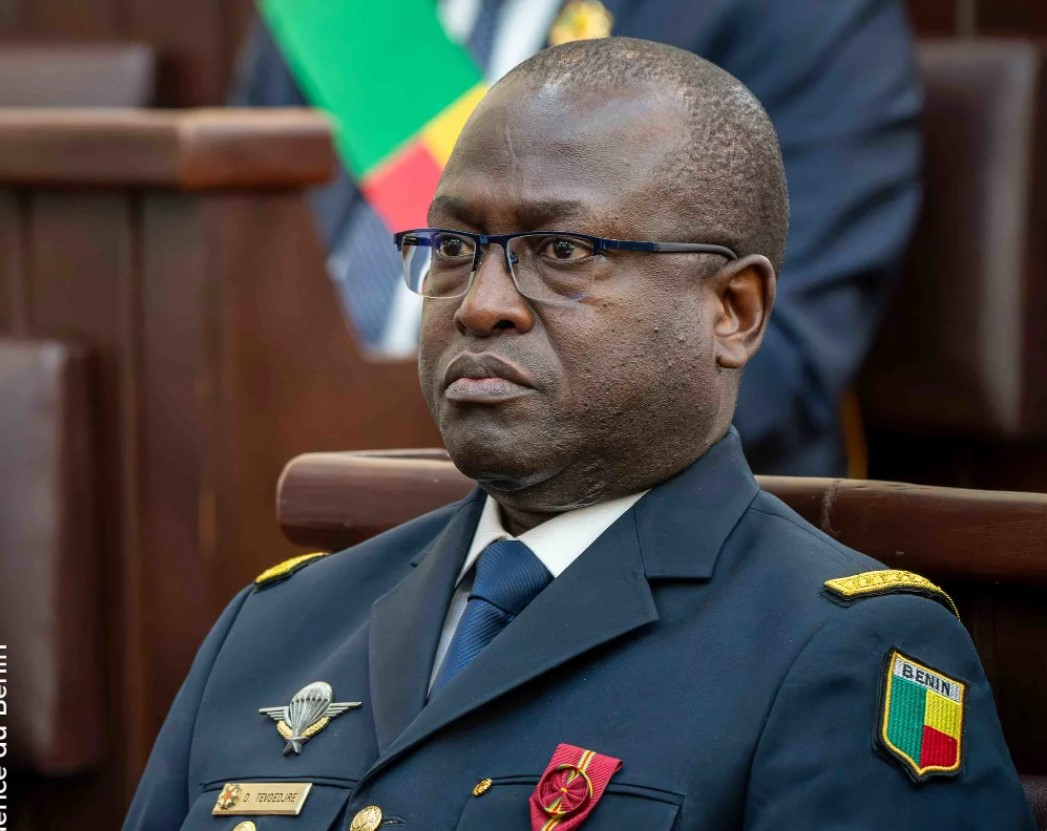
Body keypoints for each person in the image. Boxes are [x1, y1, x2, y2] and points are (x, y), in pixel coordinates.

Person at [126, 39, 1031, 830]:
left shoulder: (838, 654)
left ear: (732, 309)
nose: (481, 304)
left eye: (562, 252)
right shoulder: (278, 625)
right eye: (453, 248)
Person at [233, 0, 923, 476]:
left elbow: (771, 365)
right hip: (270, 483)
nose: (481, 302)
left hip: (636, 544)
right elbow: (225, 266)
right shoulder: (335, 16)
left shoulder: (795, 14)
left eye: (562, 251)